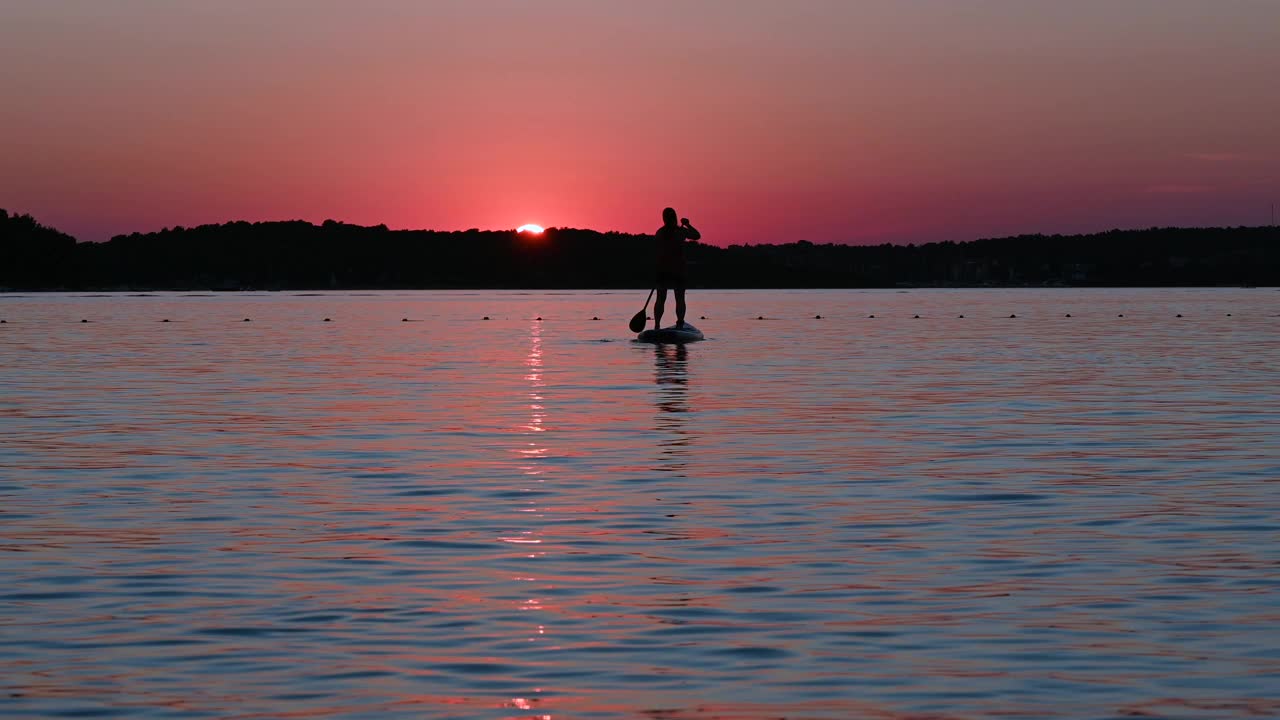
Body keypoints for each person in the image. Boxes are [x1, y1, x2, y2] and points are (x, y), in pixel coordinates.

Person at [654, 207, 700, 330]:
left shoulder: (659, 233)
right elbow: (697, 235)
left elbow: (658, 253)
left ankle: (657, 326)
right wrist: (687, 225)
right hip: (678, 270)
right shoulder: (680, 232)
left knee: (660, 298)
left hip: (663, 270)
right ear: (674, 217)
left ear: (664, 219)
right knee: (679, 298)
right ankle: (680, 323)